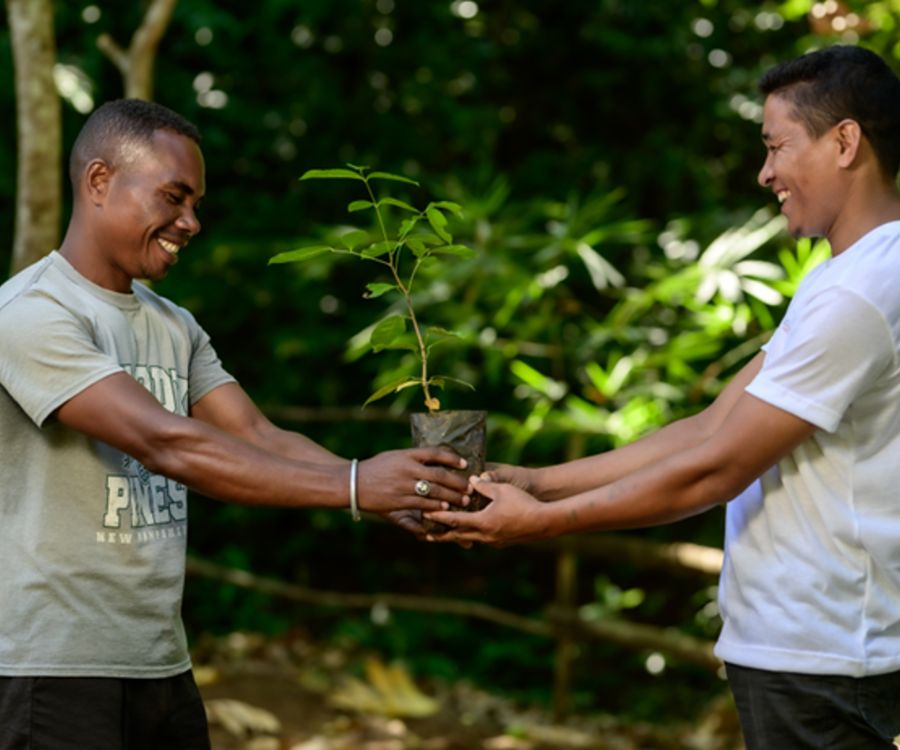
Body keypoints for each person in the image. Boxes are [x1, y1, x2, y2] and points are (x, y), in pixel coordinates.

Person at [426, 45, 900, 748]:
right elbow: (711, 427)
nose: (764, 172)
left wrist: (542, 523)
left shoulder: (863, 290)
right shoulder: (844, 278)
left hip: (825, 656)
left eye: (775, 147)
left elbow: (718, 469)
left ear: (845, 141)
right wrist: (536, 482)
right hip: (807, 649)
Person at [0, 98, 469, 749]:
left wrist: (402, 490)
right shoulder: (30, 314)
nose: (191, 222)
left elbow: (257, 436)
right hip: (51, 672)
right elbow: (166, 442)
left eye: (196, 204)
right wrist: (361, 485)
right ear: (100, 181)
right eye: (173, 197)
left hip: (161, 664)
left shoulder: (172, 323)